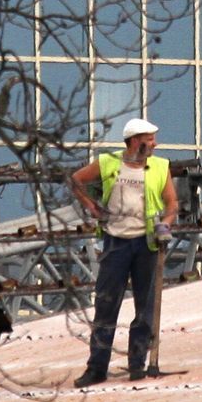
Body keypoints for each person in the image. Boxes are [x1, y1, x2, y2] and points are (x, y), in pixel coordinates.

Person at [68, 117, 178, 387]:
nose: (154, 144)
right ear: (134, 141)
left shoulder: (160, 166)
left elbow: (172, 202)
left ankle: (137, 364)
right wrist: (92, 207)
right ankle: (97, 368)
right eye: (149, 139)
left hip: (146, 243)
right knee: (106, 304)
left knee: (145, 307)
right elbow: (76, 180)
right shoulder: (108, 163)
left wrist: (166, 223)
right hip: (115, 242)